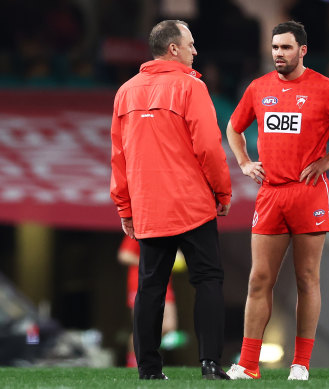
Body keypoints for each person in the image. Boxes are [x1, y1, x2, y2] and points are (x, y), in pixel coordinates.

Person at [225, 21, 329, 381]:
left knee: (306, 279)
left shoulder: (326, 88)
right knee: (258, 280)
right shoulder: (259, 88)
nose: (278, 54)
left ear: (302, 50)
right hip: (270, 193)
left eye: (286, 48)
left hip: (308, 192)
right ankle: (249, 365)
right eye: (274, 48)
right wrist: (242, 162)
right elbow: (234, 127)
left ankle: (300, 364)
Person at [110, 20, 232, 380]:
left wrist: (124, 206)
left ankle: (148, 369)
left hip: (149, 206)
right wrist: (222, 192)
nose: (196, 51)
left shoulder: (125, 92)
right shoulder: (191, 87)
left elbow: (119, 157)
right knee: (208, 279)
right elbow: (209, 147)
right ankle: (210, 364)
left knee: (149, 287)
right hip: (192, 205)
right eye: (190, 44)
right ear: (173, 49)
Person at [118, 236, 187, 368]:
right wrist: (150, 263)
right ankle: (133, 362)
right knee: (142, 325)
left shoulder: (169, 233)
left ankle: (148, 356)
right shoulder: (138, 230)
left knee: (169, 326)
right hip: (140, 283)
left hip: (164, 284)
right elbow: (124, 255)